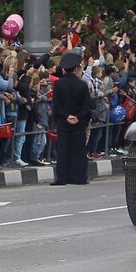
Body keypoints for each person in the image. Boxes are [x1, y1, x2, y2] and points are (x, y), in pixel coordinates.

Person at [50, 51, 91, 185]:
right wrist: (78, 117)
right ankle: (79, 177)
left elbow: (56, 105)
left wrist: (66, 116)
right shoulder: (82, 85)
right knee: (79, 149)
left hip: (63, 121)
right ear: (76, 69)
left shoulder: (58, 84)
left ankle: (62, 177)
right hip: (78, 123)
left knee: (62, 149)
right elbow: (87, 106)